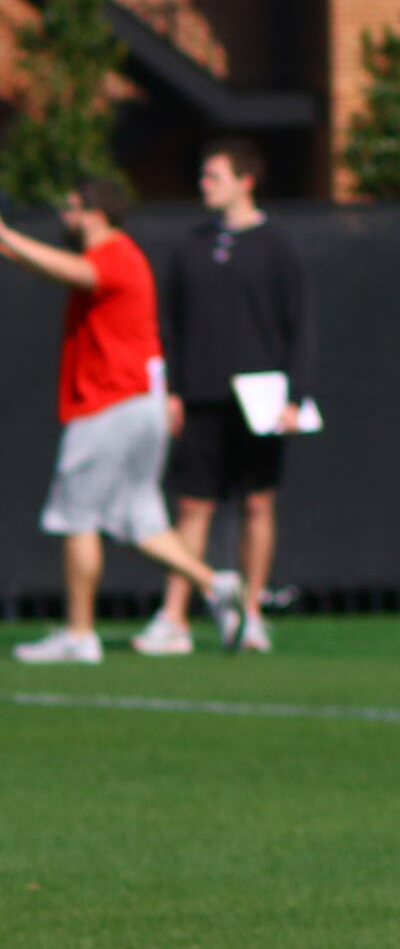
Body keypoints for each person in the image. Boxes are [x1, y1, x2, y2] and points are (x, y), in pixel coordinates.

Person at [0, 179, 241, 664]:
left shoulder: (114, 254)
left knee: (78, 518)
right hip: (139, 404)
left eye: (74, 209)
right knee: (142, 521)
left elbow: (72, 270)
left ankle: (80, 634)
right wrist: (2, 245)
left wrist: (8, 237)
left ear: (97, 214)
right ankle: (216, 584)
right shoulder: (115, 258)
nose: (67, 218)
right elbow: (61, 271)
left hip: (108, 404)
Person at [141, 138, 314, 655]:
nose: (204, 185)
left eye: (214, 176)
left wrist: (295, 397)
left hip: (262, 399)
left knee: (258, 503)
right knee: (193, 507)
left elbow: (301, 325)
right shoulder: (190, 247)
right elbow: (166, 324)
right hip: (200, 396)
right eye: (203, 175)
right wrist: (172, 390)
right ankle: (175, 618)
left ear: (245, 181)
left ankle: (252, 615)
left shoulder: (279, 245)